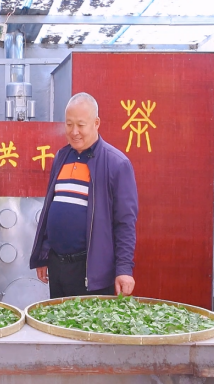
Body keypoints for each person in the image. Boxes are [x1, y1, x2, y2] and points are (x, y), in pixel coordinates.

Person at [30, 92, 138, 298]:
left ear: (96, 123)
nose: (74, 132)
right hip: (57, 266)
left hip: (92, 271)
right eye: (69, 124)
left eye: (81, 125)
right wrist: (44, 254)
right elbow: (51, 208)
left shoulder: (117, 164)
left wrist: (124, 269)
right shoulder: (62, 157)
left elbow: (125, 222)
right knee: (57, 318)